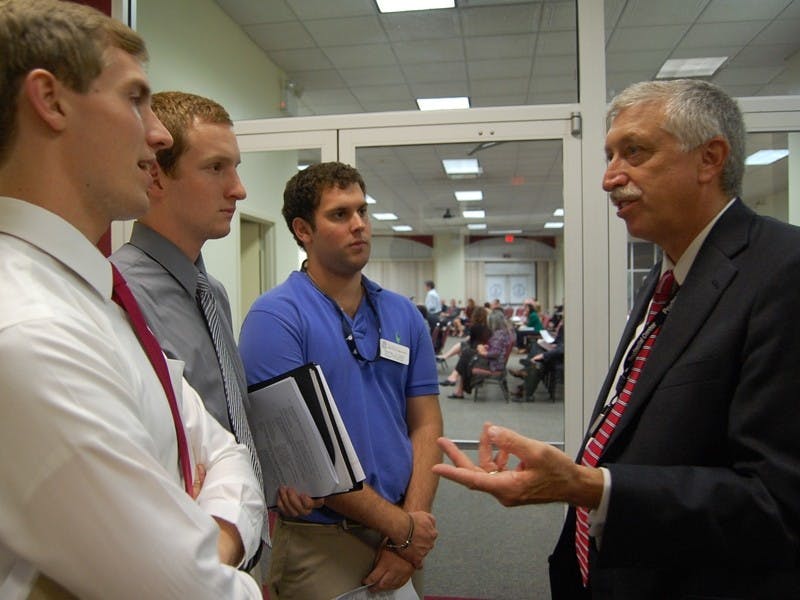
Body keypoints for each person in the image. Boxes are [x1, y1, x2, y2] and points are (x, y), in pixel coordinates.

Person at [433, 79, 800, 598]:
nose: (609, 178)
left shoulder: (783, 272)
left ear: (709, 159)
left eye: (635, 152)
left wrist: (590, 487)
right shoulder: (667, 272)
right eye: (609, 156)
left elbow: (778, 504)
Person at [0, 1, 265, 597]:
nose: (159, 133)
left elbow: (226, 449)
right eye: (135, 97)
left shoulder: (89, 297)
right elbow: (186, 592)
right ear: (51, 100)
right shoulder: (31, 331)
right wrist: (213, 552)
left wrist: (202, 539)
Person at [239, 161, 442, 599]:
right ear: (303, 230)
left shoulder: (403, 314)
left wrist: (407, 535)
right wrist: (405, 530)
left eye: (362, 211)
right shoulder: (276, 318)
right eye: (340, 215)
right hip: (324, 542)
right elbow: (308, 457)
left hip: (400, 538)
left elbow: (426, 424)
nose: (359, 226)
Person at [110, 91, 283, 571]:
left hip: (240, 539)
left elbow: (224, 414)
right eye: (216, 168)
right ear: (157, 174)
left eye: (237, 167)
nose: (239, 189)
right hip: (180, 556)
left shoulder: (213, 294)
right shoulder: (117, 296)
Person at [447, 309, 513, 399]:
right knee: (467, 354)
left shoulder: (499, 335)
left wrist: (483, 352)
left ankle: (458, 385)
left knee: (466, 356)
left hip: (493, 364)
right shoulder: (504, 332)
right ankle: (459, 387)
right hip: (497, 362)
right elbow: (498, 349)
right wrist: (486, 348)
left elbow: (496, 353)